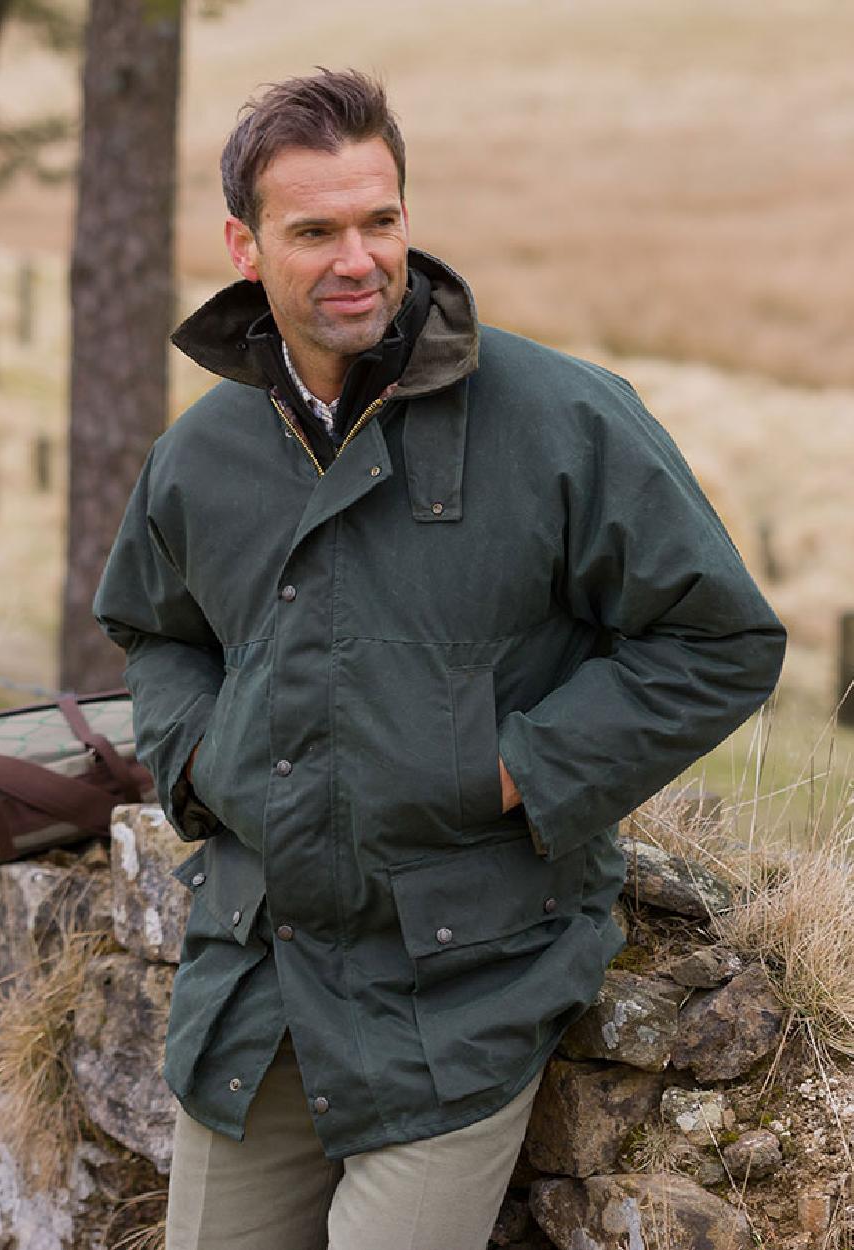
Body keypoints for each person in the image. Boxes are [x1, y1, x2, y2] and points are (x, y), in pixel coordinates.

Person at [93, 69, 786, 1250]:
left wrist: (508, 767)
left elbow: (717, 638)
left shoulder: (561, 418)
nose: (356, 256)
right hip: (259, 969)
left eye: (381, 218)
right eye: (314, 230)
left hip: (464, 978)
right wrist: (202, 754)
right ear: (244, 245)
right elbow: (156, 628)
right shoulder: (202, 452)